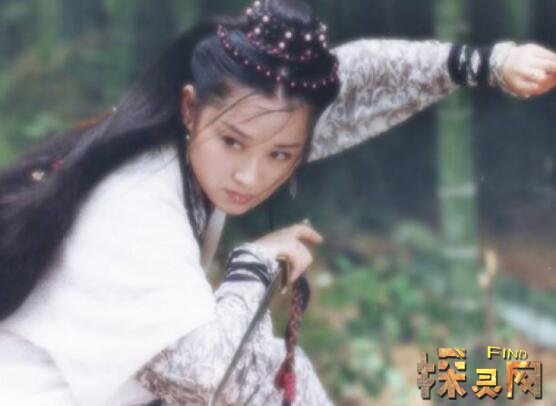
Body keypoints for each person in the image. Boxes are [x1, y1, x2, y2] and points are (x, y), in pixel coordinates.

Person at [1, 0, 556, 405]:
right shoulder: (138, 204)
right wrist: (255, 265)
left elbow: (354, 82)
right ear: (191, 108)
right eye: (233, 143)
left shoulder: (185, 144)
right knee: (262, 370)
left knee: (271, 368)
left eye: (281, 155)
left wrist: (484, 62)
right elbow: (205, 377)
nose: (250, 175)